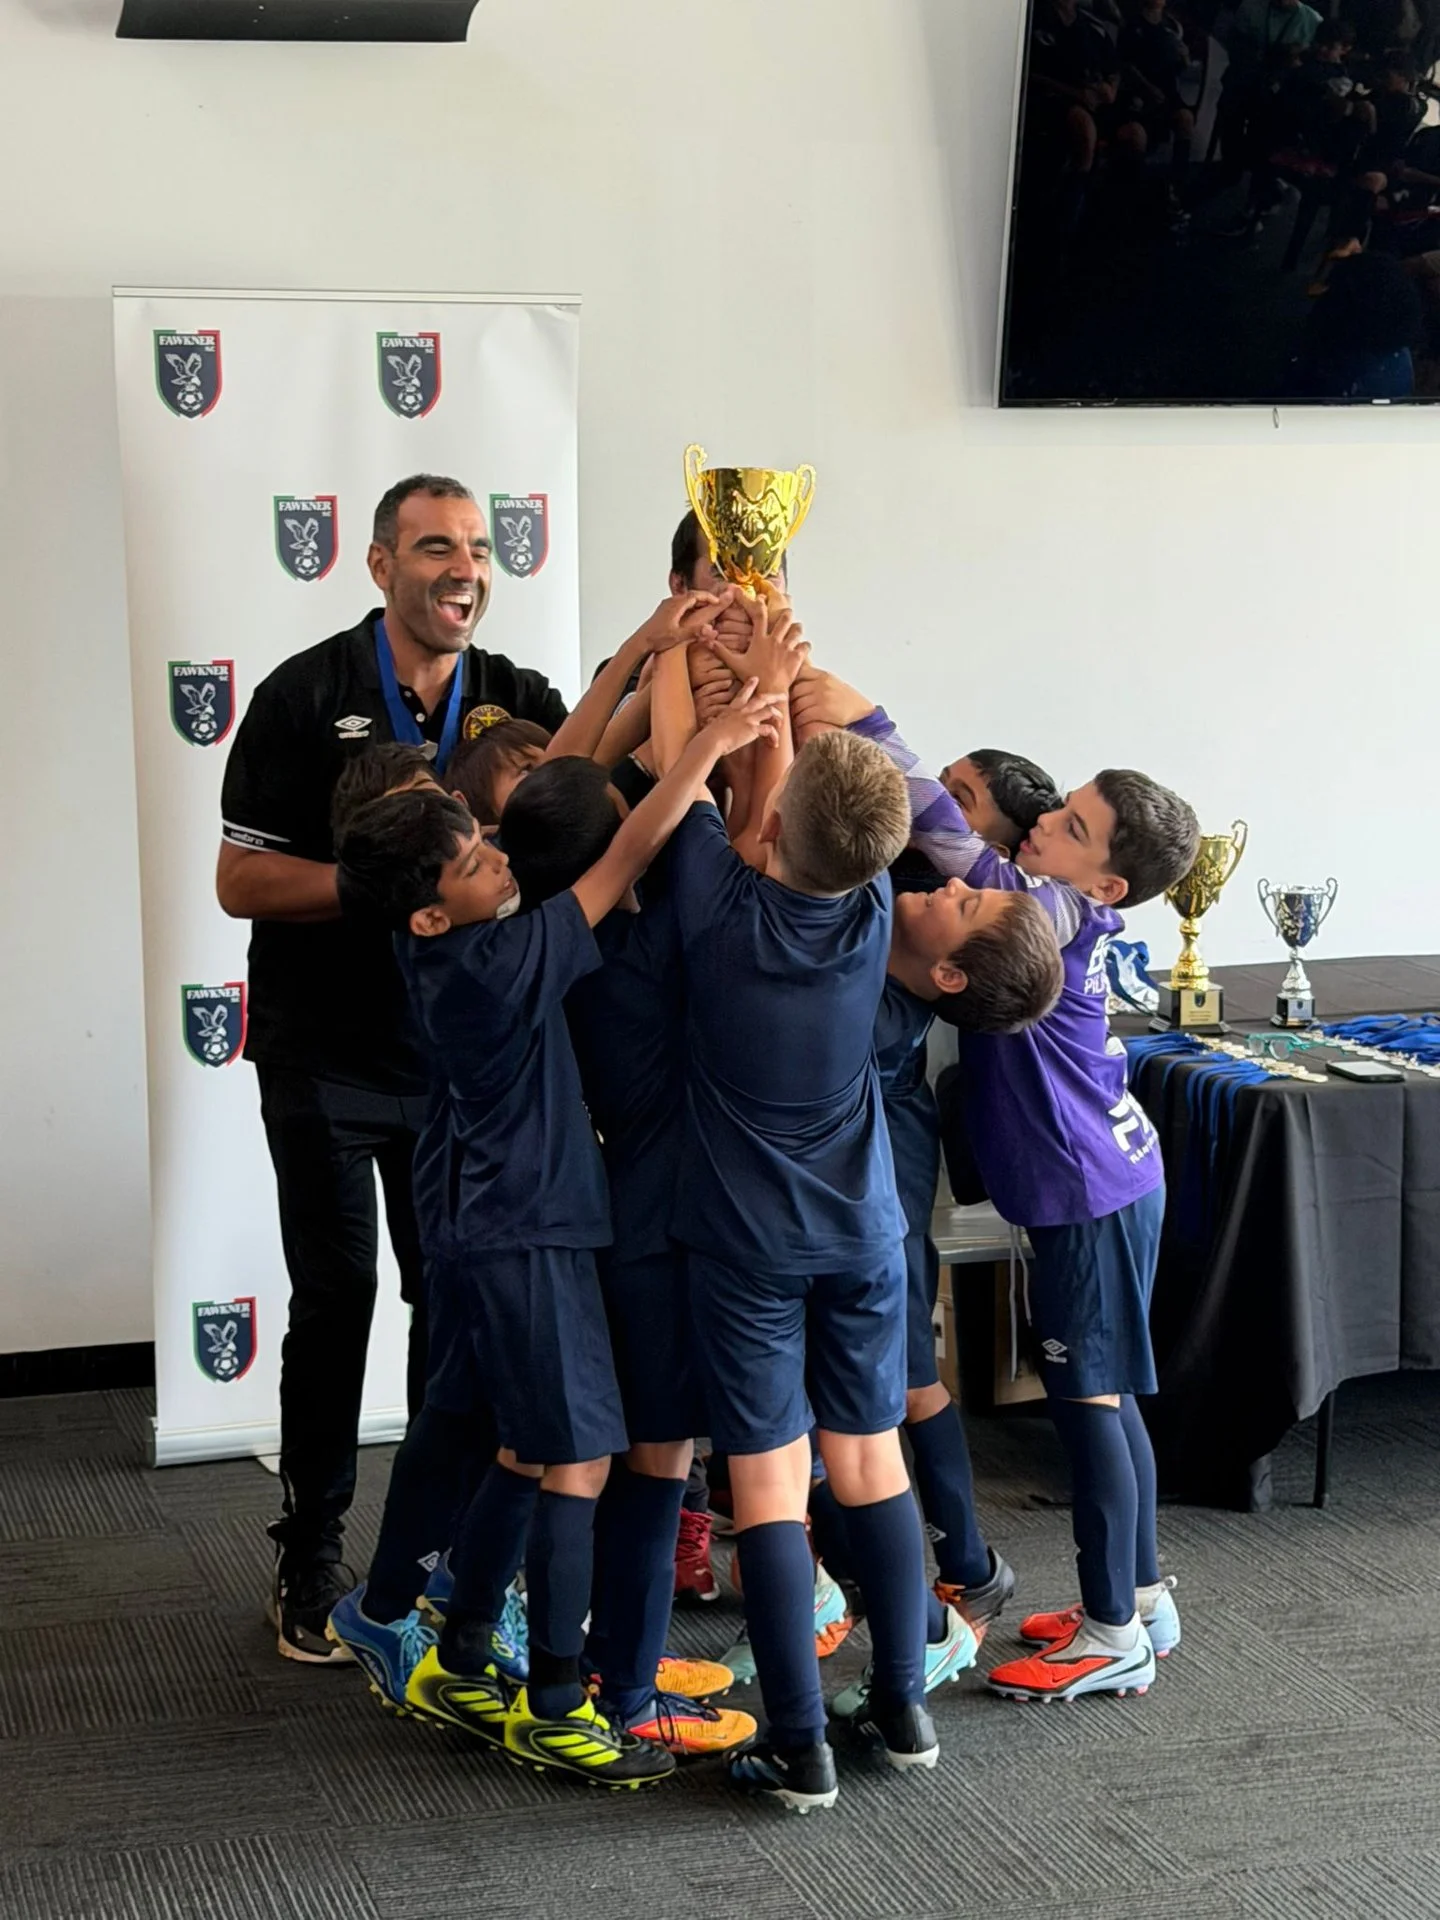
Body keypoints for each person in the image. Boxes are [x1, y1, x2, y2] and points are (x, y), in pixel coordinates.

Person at [330, 652, 782, 1787]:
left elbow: (568, 792)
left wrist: (650, 652)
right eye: (477, 860)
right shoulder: (503, 960)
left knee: (527, 1450)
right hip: (528, 1235)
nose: (497, 860)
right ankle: (554, 1699)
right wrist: (714, 747)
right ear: (438, 913)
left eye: (493, 843)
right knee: (578, 1458)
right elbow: (624, 848)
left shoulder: (438, 934)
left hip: (500, 1226)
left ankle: (467, 1643)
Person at [216, 473, 566, 1664]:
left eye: (475, 547)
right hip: (322, 1060)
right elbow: (241, 882)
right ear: (377, 566)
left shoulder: (515, 697)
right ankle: (310, 1553)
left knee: (454, 1315)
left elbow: (582, 816)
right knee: (336, 1307)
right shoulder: (301, 694)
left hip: (459, 1070)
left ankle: (435, 1561)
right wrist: (386, 885)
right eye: (433, 547)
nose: (462, 567)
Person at [800, 670, 1200, 1703]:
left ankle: (1112, 1631)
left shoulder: (1049, 914)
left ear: (1104, 883)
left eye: (1070, 826)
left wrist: (870, 723)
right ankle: (1140, 1596)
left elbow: (943, 832)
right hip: (1107, 1183)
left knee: (1089, 1405)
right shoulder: (1071, 907)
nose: (1041, 829)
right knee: (1110, 1396)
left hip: (1093, 1195)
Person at [650, 617, 941, 1814]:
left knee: (770, 1486)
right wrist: (775, 696)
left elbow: (681, 757)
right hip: (865, 1236)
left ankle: (800, 1740)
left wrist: (699, 662)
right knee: (869, 1461)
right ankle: (907, 1709)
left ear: (764, 832)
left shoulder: (719, 913)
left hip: (749, 1247)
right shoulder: (871, 914)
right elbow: (788, 820)